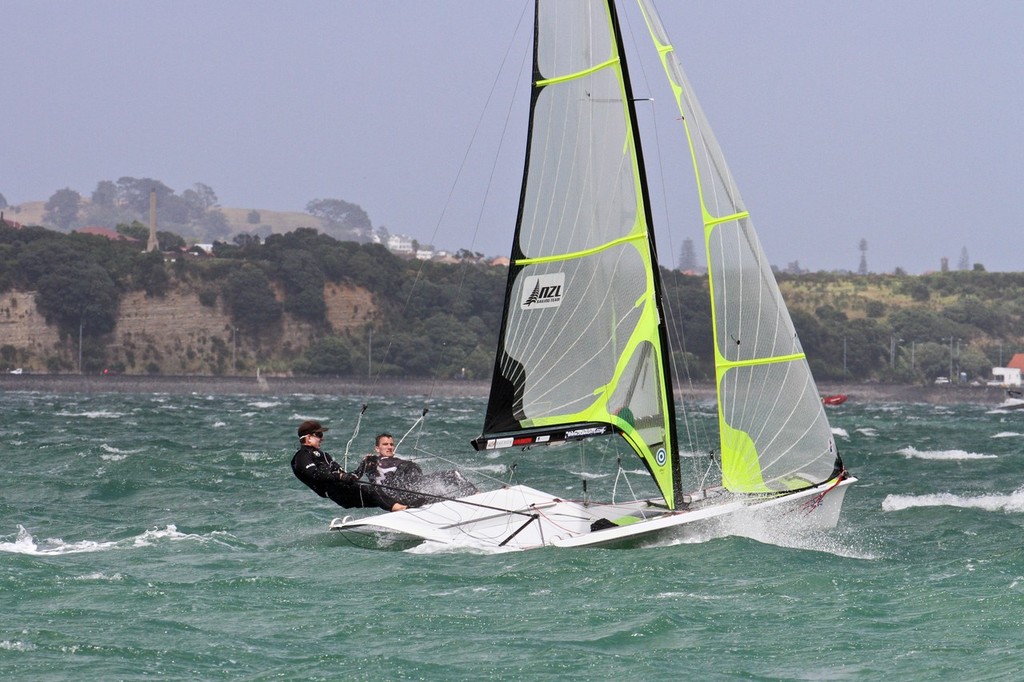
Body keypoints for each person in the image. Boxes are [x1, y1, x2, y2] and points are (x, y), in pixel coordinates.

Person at [290, 420, 407, 512]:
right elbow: (315, 475)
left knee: (381, 492)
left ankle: (407, 505)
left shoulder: (325, 456)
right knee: (375, 493)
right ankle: (402, 509)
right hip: (337, 493)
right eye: (319, 434)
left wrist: (364, 465)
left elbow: (349, 477)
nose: (322, 438)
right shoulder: (301, 457)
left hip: (345, 488)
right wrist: (340, 477)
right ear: (308, 437)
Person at [352, 432, 477, 507]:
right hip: (398, 495)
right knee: (450, 478)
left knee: (451, 477)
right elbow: (355, 475)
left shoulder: (396, 460)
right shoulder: (373, 461)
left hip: (413, 488)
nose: (389, 447)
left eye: (391, 444)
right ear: (377, 448)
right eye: (385, 444)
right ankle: (477, 497)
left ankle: (473, 500)